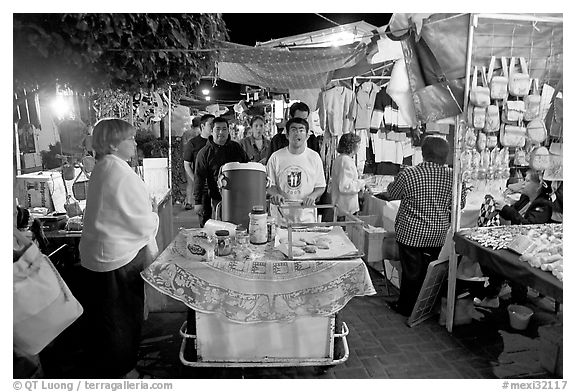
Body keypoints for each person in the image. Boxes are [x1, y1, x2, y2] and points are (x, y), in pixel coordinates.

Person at [79, 119, 159, 379]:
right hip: (117, 259)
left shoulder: (105, 167)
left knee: (108, 320)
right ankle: (125, 373)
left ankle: (116, 368)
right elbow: (138, 220)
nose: (135, 143)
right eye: (130, 139)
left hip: (102, 256)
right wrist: (154, 216)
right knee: (122, 320)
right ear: (114, 143)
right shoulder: (118, 171)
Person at [386, 136, 465, 317]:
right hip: (437, 234)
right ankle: (427, 306)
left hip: (411, 233)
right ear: (445, 156)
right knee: (431, 273)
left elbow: (393, 193)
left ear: (423, 153)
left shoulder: (409, 174)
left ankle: (406, 307)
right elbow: (459, 204)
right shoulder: (453, 177)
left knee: (411, 274)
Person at [267, 117, 326, 224]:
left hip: (306, 216)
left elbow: (320, 186)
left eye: (301, 130)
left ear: (307, 135)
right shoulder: (276, 157)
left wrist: (312, 196)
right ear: (287, 135)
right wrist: (276, 194)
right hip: (280, 216)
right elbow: (269, 185)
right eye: (293, 130)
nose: (297, 133)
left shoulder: (314, 157)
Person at [193, 117, 249, 220]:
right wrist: (198, 202)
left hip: (239, 197)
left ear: (228, 131)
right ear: (212, 131)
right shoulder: (204, 153)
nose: (221, 132)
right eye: (217, 129)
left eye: (224, 129)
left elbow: (247, 166)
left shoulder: (236, 148)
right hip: (216, 198)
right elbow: (199, 178)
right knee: (220, 227)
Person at [183, 114, 215, 216]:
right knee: (205, 219)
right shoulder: (193, 143)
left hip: (218, 186)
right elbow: (187, 164)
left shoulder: (219, 142)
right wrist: (196, 180)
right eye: (211, 125)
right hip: (202, 188)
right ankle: (189, 202)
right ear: (202, 126)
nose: (214, 127)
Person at [330, 133, 366, 219]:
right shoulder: (345, 161)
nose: (359, 147)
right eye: (358, 144)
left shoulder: (341, 159)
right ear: (353, 146)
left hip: (342, 207)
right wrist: (362, 182)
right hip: (345, 209)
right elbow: (345, 187)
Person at [181, 116, 202, 209]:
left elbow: (182, 147)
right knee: (201, 182)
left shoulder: (186, 133)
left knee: (190, 183)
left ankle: (189, 202)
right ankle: (200, 201)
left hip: (188, 160)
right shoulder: (201, 133)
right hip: (199, 160)